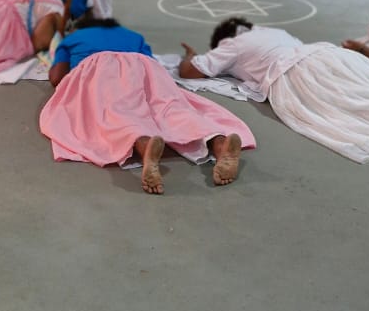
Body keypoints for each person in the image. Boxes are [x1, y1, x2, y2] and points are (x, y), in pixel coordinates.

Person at [178, 16, 369, 164]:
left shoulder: (231, 45)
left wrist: (190, 55)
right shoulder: (273, 31)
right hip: (333, 55)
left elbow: (191, 71)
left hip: (301, 73)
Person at [40, 16, 255, 194]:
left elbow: (56, 77)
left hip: (100, 71)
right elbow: (151, 64)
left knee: (117, 114)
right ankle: (219, 143)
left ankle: (146, 145)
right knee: (171, 109)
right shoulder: (134, 36)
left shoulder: (73, 38)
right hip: (145, 69)